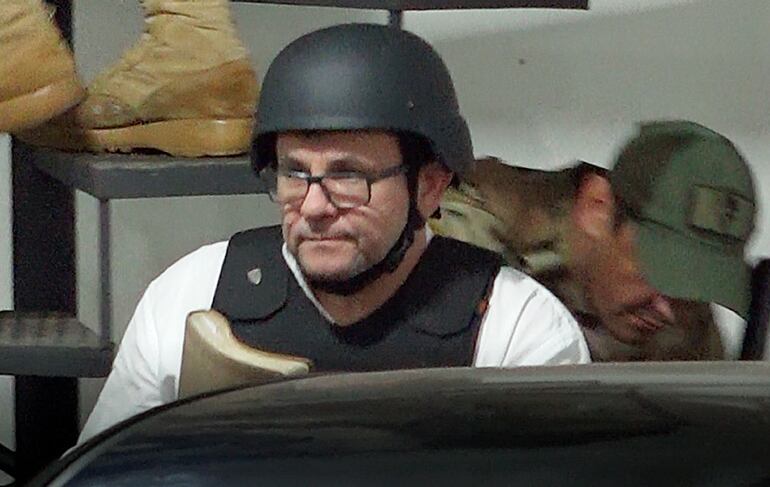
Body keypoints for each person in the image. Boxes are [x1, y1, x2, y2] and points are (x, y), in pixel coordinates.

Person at [79, 23, 590, 443]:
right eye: (294, 173)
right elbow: (107, 473)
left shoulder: (514, 329)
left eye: (349, 177)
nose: (314, 206)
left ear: (430, 185)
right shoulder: (193, 295)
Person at [432, 121, 756, 361]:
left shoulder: (684, 315)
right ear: (597, 207)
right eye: (661, 272)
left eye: (693, 287)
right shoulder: (466, 243)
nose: (668, 311)